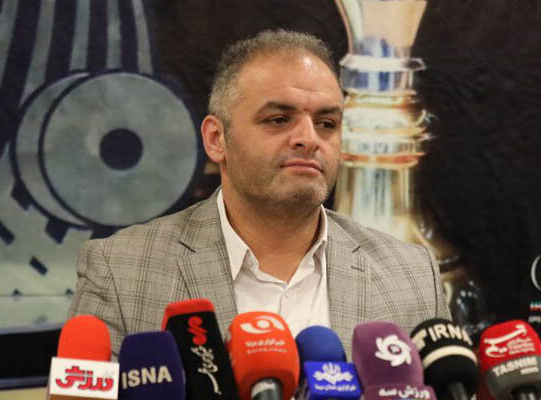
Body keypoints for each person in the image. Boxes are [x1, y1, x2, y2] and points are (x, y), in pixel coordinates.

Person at [68, 29, 449, 358]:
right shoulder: (120, 270)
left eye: (326, 123)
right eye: (279, 119)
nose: (308, 139)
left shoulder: (411, 274)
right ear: (216, 139)